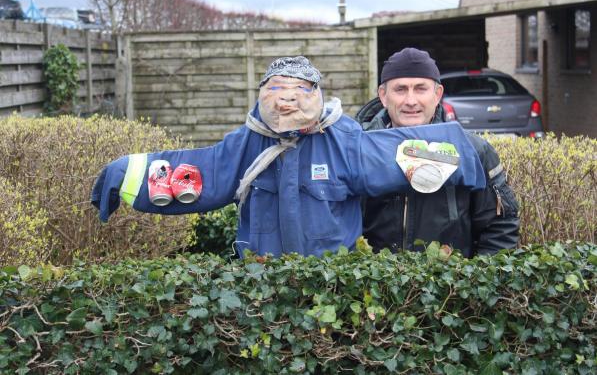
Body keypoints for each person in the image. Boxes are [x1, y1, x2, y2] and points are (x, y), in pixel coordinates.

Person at [92, 55, 487, 258]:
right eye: (277, 88)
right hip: (262, 283)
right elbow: (202, 173)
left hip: (332, 283)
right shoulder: (248, 142)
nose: (287, 98)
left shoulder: (343, 137)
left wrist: (464, 154)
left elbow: (393, 155)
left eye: (300, 89)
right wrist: (127, 175)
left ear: (316, 92)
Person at [356, 48, 519, 257]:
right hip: (374, 285)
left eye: (421, 89)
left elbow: (500, 227)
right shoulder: (357, 150)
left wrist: (474, 282)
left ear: (437, 94)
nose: (411, 100)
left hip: (449, 285)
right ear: (383, 96)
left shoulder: (472, 151)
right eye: (401, 89)